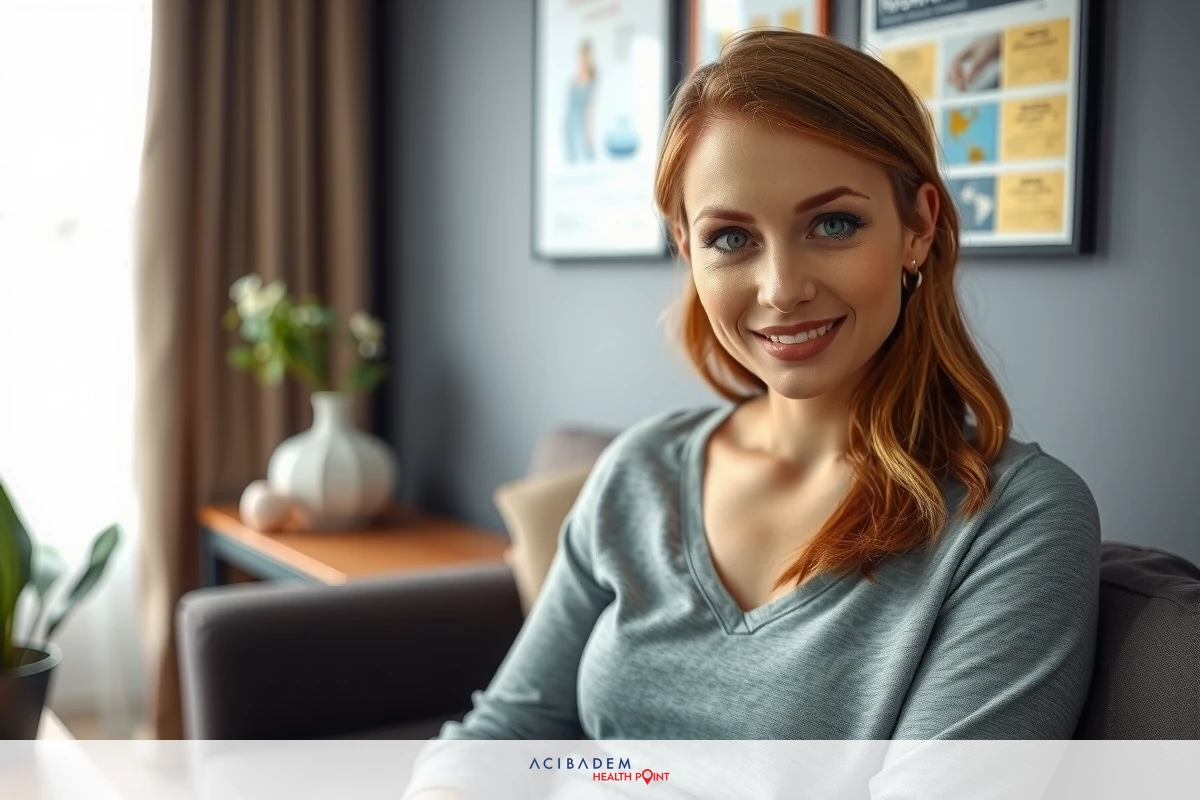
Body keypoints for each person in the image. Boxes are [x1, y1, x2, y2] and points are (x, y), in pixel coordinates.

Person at [404, 29, 1100, 800]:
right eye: (731, 237)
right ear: (688, 250)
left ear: (918, 225)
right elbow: (503, 737)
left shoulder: (1014, 521)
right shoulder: (639, 471)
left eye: (833, 223)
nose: (780, 287)